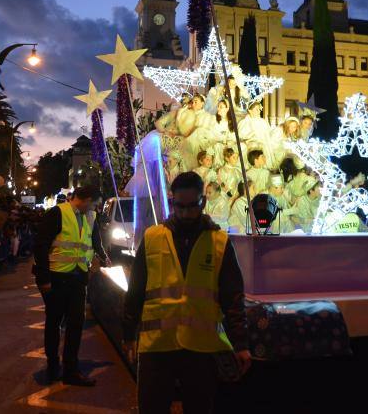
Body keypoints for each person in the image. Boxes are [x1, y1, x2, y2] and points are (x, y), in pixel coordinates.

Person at [122, 171, 251, 413]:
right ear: (172, 202)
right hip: (157, 347)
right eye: (179, 206)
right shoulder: (152, 238)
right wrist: (128, 332)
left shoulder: (219, 241)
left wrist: (240, 343)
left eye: (192, 206)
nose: (185, 213)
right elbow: (136, 289)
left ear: (202, 202)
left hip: (201, 349)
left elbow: (232, 297)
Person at [33, 185, 108, 386]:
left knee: (75, 325)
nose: (96, 208)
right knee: (54, 323)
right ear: (86, 199)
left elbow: (94, 241)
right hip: (57, 278)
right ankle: (52, 365)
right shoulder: (57, 213)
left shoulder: (91, 216)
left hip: (78, 278)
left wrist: (102, 256)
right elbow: (40, 245)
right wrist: (43, 278)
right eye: (95, 203)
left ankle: (71, 370)